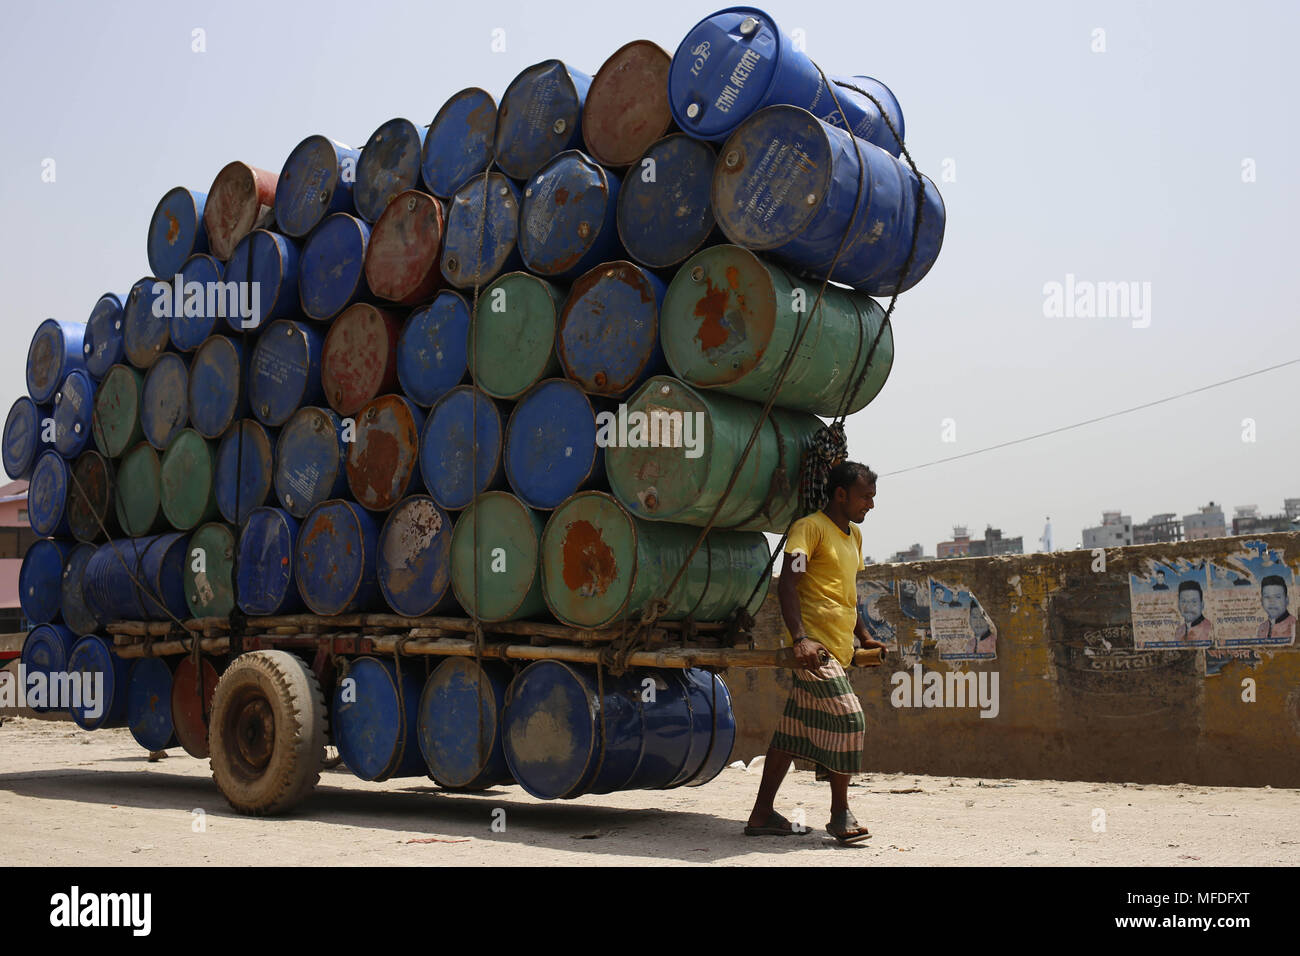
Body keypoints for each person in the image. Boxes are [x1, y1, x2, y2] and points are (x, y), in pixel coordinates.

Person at [745, 461, 887, 845]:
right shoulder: (808, 529)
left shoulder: (854, 536)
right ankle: (840, 814)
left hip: (838, 650)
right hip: (815, 653)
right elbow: (788, 586)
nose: (870, 505)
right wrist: (800, 639)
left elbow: (846, 593)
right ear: (841, 494)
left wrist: (864, 636)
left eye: (873, 498)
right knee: (850, 720)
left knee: (792, 734)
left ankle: (761, 815)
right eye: (865, 497)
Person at [1255, 575, 1295, 640]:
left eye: (1277, 597)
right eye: (1267, 597)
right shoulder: (1261, 628)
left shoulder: (1295, 625)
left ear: (1287, 600)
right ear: (1261, 601)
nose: (1272, 602)